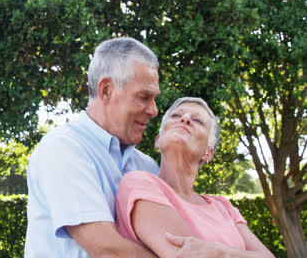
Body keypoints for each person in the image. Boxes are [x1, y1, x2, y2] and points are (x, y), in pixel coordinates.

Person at [24, 37, 161, 257]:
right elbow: (107, 249)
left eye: (154, 99)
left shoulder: (147, 166)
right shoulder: (63, 149)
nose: (154, 110)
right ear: (106, 90)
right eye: (144, 97)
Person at [116, 97, 275, 258]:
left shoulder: (224, 207)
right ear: (158, 140)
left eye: (198, 121)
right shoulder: (139, 183)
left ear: (208, 153)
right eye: (176, 116)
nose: (185, 119)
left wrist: (220, 252)